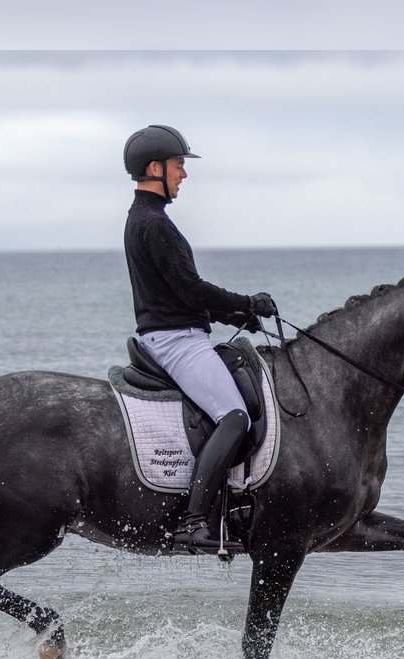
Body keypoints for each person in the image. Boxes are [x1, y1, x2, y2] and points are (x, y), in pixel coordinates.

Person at [123, 124, 278, 553]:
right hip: (176, 341)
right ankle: (193, 521)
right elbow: (190, 289)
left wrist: (234, 314)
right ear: (155, 168)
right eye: (177, 166)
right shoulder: (154, 224)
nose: (183, 175)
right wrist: (247, 303)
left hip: (176, 331)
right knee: (235, 416)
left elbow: (179, 293)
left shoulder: (145, 219)